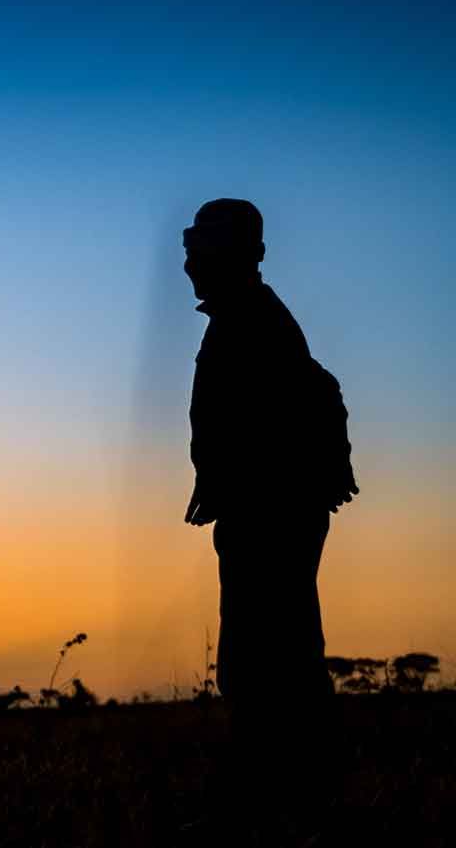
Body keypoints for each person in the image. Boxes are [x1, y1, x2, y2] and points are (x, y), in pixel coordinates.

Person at [181, 199, 358, 818]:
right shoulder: (245, 317)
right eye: (190, 250)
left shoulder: (254, 321)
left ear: (236, 255)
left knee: (269, 661)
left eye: (201, 251)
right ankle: (290, 791)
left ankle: (289, 797)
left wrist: (243, 486)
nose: (189, 264)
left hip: (270, 518)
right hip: (263, 512)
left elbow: (271, 425)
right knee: (271, 656)